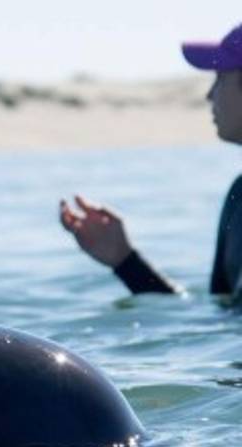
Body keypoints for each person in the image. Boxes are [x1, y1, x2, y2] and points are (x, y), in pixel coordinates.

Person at [59, 23, 242, 296]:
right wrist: (125, 261)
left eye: (220, 78)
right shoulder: (239, 196)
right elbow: (219, 318)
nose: (209, 94)